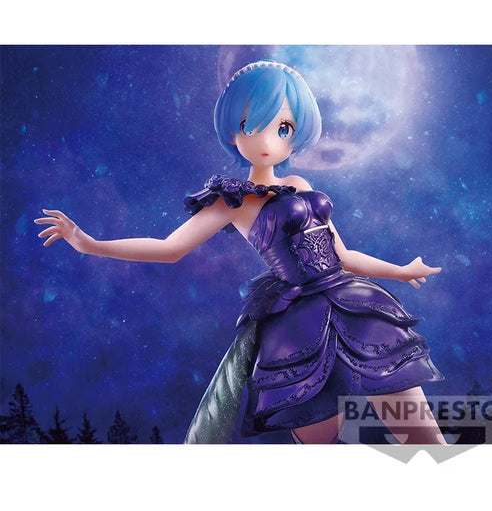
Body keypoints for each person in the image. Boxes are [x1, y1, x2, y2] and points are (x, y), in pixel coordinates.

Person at [35, 60, 446, 444]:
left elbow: (343, 254)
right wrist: (90, 244)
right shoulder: (232, 200)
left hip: (356, 307)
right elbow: (168, 248)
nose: (267, 139)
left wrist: (400, 270)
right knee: (321, 441)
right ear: (234, 129)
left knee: (421, 434)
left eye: (283, 127)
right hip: (299, 329)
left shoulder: (300, 184)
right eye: (252, 125)